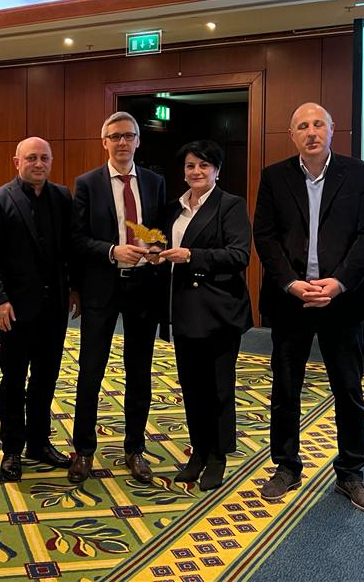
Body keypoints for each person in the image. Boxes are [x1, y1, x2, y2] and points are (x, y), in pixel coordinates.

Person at [253, 102, 364, 513]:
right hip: (290, 300)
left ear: (332, 129)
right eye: (302, 126)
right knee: (285, 387)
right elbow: (265, 236)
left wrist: (339, 282)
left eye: (318, 125)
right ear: (292, 135)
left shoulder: (360, 173)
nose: (311, 132)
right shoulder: (274, 176)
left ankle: (350, 473)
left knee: (348, 388)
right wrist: (291, 283)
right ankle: (286, 466)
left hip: (340, 300)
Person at [68, 111, 166, 484]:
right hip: (102, 289)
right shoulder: (87, 183)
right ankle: (84, 451)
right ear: (104, 142)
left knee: (139, 372)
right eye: (115, 136)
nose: (122, 142)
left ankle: (135, 449)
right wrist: (112, 251)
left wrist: (155, 247)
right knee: (91, 371)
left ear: (138, 140)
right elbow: (77, 239)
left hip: (143, 288)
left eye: (128, 135)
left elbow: (159, 230)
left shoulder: (155, 182)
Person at [0, 137, 80, 481]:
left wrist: (75, 288)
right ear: (16, 162)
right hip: (14, 309)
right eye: (31, 158)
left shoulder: (62, 196)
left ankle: (38, 442)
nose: (38, 164)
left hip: (54, 307)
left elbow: (71, 247)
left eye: (44, 158)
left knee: (46, 377)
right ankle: (12, 449)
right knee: (13, 379)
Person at [154, 140, 253, 491]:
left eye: (204, 165)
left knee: (219, 388)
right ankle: (197, 451)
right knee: (192, 386)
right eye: (190, 166)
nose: (196, 171)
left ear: (217, 171)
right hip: (182, 309)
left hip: (218, 310)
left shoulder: (231, 205)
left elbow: (239, 255)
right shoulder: (173, 209)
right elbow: (162, 246)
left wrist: (191, 256)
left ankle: (217, 455)